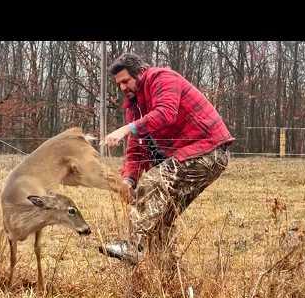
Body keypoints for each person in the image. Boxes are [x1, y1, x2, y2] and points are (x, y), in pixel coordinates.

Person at [99, 53, 235, 265]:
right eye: (119, 84)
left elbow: (165, 113)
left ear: (140, 73)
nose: (123, 88)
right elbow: (136, 150)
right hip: (186, 157)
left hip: (209, 150)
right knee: (161, 217)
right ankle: (165, 276)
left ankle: (134, 246)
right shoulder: (133, 107)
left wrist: (126, 129)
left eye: (126, 81)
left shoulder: (162, 78)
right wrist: (128, 180)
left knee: (152, 183)